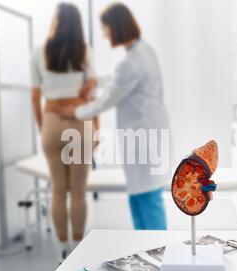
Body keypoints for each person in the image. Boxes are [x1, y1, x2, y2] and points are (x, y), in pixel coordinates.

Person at [59, 3, 170, 231]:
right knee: (140, 196)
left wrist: (76, 112)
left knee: (147, 198)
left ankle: (157, 249)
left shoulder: (132, 61)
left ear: (117, 27)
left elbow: (107, 100)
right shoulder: (142, 51)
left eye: (105, 28)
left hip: (143, 139)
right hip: (146, 133)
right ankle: (146, 248)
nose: (104, 33)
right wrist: (97, 81)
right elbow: (120, 81)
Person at [30, 2, 98, 260]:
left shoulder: (39, 52)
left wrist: (43, 126)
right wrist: (97, 127)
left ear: (55, 21)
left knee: (58, 188)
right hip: (80, 121)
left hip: (51, 120)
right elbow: (91, 94)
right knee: (78, 189)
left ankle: (62, 249)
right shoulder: (84, 51)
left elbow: (35, 96)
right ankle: (78, 248)